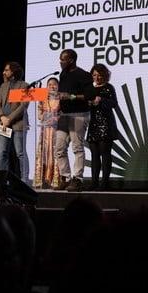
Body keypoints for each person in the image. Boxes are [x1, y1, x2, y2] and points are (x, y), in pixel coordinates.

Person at [54, 49, 95, 191]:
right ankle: (65, 178)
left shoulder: (83, 75)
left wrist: (71, 97)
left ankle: (77, 179)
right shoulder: (63, 74)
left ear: (71, 60)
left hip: (79, 115)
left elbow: (90, 95)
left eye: (63, 59)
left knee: (77, 148)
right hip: (64, 115)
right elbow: (63, 94)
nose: (60, 62)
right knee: (59, 148)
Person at [0, 62, 30, 183]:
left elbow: (23, 106)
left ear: (13, 72)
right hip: (3, 124)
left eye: (6, 70)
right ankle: (4, 180)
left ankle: (24, 179)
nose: (4, 72)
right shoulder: (3, 86)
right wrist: (2, 117)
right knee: (3, 153)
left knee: (20, 153)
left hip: (18, 124)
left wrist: (9, 119)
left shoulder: (24, 85)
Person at [87, 64, 118, 190]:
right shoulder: (89, 88)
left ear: (104, 75)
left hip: (106, 124)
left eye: (99, 75)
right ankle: (94, 183)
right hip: (92, 124)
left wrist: (101, 100)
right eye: (94, 75)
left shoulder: (109, 87)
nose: (97, 77)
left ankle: (104, 183)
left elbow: (114, 103)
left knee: (105, 154)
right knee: (94, 155)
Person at [34, 77, 61, 189]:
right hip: (45, 130)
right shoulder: (43, 98)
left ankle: (55, 180)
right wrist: (43, 117)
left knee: (55, 153)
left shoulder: (61, 98)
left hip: (56, 129)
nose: (52, 87)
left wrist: (55, 119)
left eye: (54, 84)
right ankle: (43, 180)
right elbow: (39, 111)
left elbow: (62, 113)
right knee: (44, 154)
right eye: (49, 85)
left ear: (58, 86)